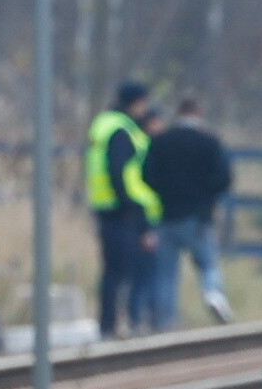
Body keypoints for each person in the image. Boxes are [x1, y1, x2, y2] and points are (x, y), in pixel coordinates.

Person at [143, 94, 233, 326]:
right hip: (199, 218)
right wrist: (207, 197)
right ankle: (213, 294)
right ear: (199, 114)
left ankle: (165, 322)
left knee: (166, 275)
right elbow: (224, 178)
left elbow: (147, 175)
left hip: (168, 217)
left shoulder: (162, 141)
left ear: (178, 114)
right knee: (208, 264)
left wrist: (165, 192)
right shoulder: (209, 142)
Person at [84, 81, 158, 338]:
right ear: (136, 102)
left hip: (105, 206)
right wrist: (131, 204)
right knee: (124, 270)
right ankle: (117, 324)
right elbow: (120, 171)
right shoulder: (122, 130)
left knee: (111, 271)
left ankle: (108, 323)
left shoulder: (104, 125)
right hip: (123, 210)